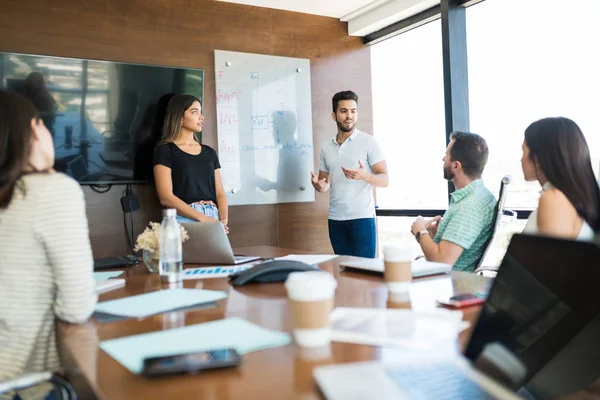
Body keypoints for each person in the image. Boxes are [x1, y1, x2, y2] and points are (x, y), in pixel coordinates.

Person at [0, 91, 97, 383]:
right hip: (18, 379)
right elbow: (76, 308)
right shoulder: (50, 191)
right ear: (30, 131)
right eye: (41, 123)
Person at [312, 90, 388, 258]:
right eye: (344, 111)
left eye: (353, 111)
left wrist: (365, 176)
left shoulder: (369, 142)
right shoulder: (326, 148)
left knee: (365, 274)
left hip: (362, 219)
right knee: (344, 273)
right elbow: (325, 184)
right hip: (335, 219)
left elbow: (384, 180)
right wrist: (319, 185)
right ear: (334, 115)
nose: (349, 116)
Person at [411, 131, 496, 272]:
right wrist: (434, 236)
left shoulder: (469, 206)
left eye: (447, 155)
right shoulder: (479, 195)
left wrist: (420, 232)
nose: (443, 159)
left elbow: (442, 262)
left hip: (450, 287)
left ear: (456, 166)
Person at [153, 94, 229, 232]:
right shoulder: (165, 150)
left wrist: (223, 219)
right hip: (184, 218)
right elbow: (166, 197)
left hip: (214, 217)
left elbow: (220, 193)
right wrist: (203, 218)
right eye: (195, 112)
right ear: (180, 118)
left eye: (201, 112)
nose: (201, 117)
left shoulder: (210, 152)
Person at [521, 117, 600, 240]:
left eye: (523, 151)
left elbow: (548, 259)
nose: (521, 159)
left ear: (537, 158)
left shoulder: (554, 199)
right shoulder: (567, 199)